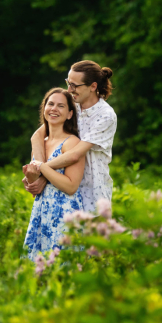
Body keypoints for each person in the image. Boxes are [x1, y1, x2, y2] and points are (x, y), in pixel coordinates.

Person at [23, 60, 117, 214]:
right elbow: (37, 136)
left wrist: (41, 170)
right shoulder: (72, 105)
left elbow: (74, 155)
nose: (69, 89)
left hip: (91, 193)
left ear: (93, 86)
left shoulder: (105, 115)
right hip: (61, 188)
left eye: (74, 85)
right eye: (68, 83)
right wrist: (39, 172)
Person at [23, 88, 85, 259]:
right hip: (41, 213)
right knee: (38, 273)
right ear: (44, 109)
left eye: (61, 106)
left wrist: (41, 167)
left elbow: (71, 186)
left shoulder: (72, 142)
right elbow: (38, 185)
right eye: (50, 104)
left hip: (64, 215)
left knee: (62, 272)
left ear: (70, 114)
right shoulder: (40, 143)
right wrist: (30, 179)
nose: (54, 109)